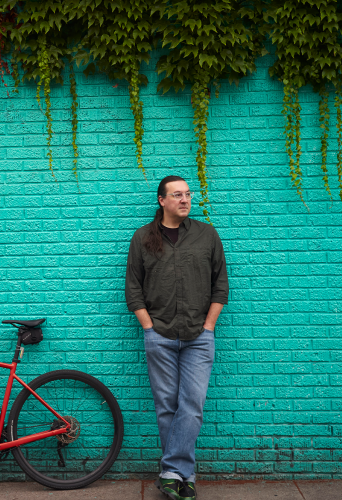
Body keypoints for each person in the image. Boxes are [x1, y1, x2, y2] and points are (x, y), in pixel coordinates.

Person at [125, 175, 228, 500]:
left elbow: (220, 285)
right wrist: (149, 328)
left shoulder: (206, 235)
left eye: (187, 194)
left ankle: (171, 471)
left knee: (192, 404)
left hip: (199, 335)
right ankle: (184, 477)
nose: (185, 199)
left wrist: (209, 326)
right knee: (166, 406)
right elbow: (133, 289)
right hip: (160, 336)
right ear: (162, 201)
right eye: (177, 195)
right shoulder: (143, 238)